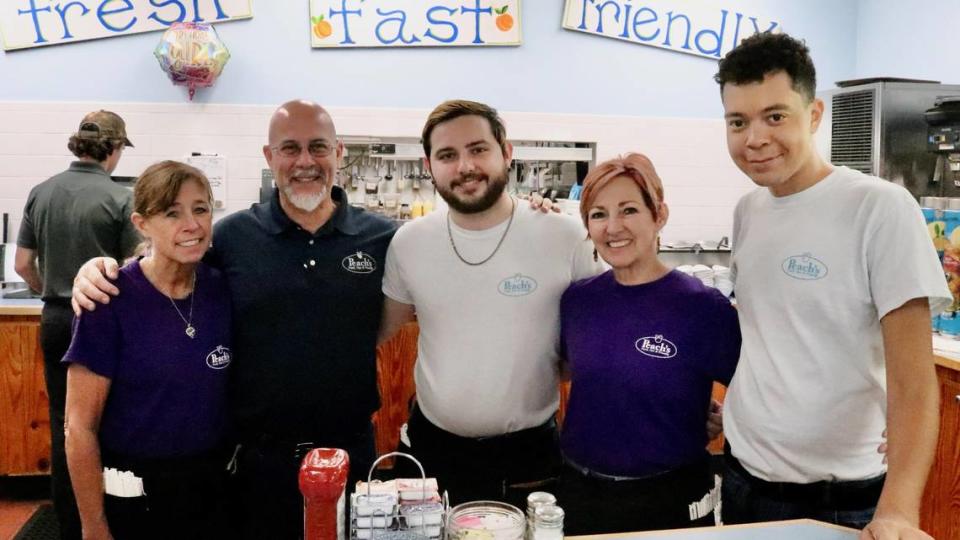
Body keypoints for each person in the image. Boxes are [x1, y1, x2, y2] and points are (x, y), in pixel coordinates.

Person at [72, 100, 396, 539]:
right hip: (259, 463)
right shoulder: (233, 237)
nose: (305, 161)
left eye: (318, 147)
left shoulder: (383, 238)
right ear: (269, 156)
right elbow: (166, 262)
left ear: (339, 152)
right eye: (289, 148)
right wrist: (98, 269)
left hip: (350, 452)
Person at [715, 32, 950, 538]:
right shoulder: (748, 211)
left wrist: (898, 511)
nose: (754, 137)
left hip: (836, 499)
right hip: (740, 479)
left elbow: (913, 381)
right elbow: (771, 335)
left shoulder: (879, 209)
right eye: (738, 121)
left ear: (815, 114)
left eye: (775, 116)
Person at [378, 99, 603, 507]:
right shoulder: (409, 243)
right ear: (430, 166)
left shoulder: (564, 236)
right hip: (431, 450)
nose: (465, 166)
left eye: (478, 149)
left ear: (507, 152)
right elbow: (379, 331)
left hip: (529, 457)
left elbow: (603, 340)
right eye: (447, 155)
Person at [555, 153, 741, 534]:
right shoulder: (578, 300)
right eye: (598, 214)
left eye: (628, 210)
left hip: (669, 498)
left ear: (659, 215)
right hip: (581, 494)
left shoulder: (702, 307)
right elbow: (585, 373)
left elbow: (755, 386)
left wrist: (730, 416)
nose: (613, 227)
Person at [64, 160, 231, 539]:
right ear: (141, 224)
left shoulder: (223, 288)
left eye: (201, 208)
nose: (192, 224)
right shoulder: (108, 299)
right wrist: (93, 525)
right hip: (135, 491)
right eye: (172, 213)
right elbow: (78, 427)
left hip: (214, 488)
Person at [15, 110, 140, 540]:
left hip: (54, 319)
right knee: (101, 425)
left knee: (63, 424)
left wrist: (50, 289)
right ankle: (106, 522)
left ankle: (71, 525)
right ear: (114, 148)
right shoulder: (122, 199)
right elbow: (135, 270)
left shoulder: (40, 191)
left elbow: (23, 264)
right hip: (101, 323)